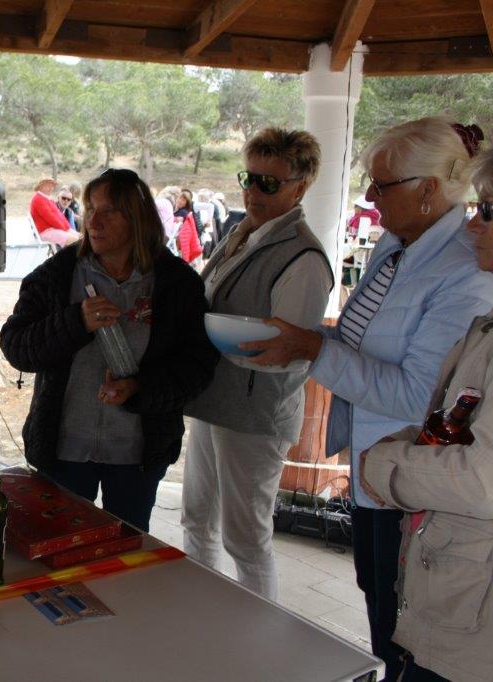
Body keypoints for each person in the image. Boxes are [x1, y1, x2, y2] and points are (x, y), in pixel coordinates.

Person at [243, 118, 493, 681]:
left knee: (404, 624)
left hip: (410, 481)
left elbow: (420, 397)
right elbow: (362, 342)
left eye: (383, 186)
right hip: (374, 471)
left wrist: (311, 348)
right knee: (379, 600)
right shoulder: (398, 246)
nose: (370, 198)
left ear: (428, 191)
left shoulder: (465, 274)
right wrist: (302, 338)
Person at [0, 168, 218, 531]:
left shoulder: (177, 285)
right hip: (63, 450)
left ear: (138, 219)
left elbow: (197, 366)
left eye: (109, 211)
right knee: (58, 547)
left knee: (126, 554)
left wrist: (140, 388)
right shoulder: (57, 276)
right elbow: (16, 347)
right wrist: (76, 322)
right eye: (91, 209)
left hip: (138, 455)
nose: (93, 221)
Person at [181, 128, 334, 601]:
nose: (253, 191)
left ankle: (259, 631)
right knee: (196, 520)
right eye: (249, 178)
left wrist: (215, 339)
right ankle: (201, 614)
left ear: (299, 188)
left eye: (269, 183)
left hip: (255, 411)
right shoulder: (241, 233)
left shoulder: (303, 257)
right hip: (215, 399)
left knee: (245, 538)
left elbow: (288, 349)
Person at [358, 147, 493, 682]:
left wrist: (384, 465)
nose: (475, 225)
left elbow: (483, 478)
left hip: (473, 616)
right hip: (457, 587)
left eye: (489, 211)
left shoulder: (464, 282)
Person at [30, 177, 78, 246]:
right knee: (76, 240)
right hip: (45, 232)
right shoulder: (38, 199)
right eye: (48, 186)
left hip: (53, 230)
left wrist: (68, 228)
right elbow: (51, 218)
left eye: (52, 186)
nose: (51, 188)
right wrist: (65, 229)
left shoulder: (48, 199)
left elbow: (60, 215)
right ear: (41, 186)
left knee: (81, 237)